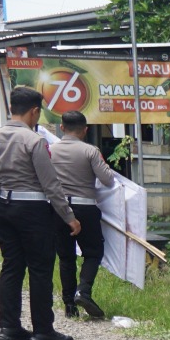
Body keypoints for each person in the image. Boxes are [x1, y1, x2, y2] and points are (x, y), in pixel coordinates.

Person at [0, 85, 79, 340]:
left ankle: (9, 326)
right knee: (40, 269)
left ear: (12, 108)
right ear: (34, 112)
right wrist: (69, 217)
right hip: (33, 212)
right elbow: (51, 184)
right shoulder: (35, 141)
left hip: (3, 208)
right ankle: (43, 329)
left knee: (11, 265)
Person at [49, 111, 117, 319]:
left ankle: (69, 305)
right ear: (85, 130)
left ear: (62, 127)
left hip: (58, 209)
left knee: (66, 257)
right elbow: (108, 180)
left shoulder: (50, 150)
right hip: (85, 208)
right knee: (93, 252)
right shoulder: (90, 151)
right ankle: (83, 291)